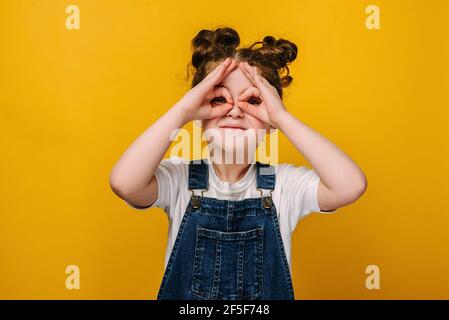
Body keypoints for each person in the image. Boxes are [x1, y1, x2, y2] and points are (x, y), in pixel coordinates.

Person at [109, 27, 367, 300]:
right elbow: (124, 183)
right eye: (219, 99)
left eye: (252, 101)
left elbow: (350, 186)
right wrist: (183, 110)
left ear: (269, 123)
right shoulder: (179, 180)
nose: (234, 110)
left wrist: (281, 117)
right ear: (200, 114)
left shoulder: (283, 187)